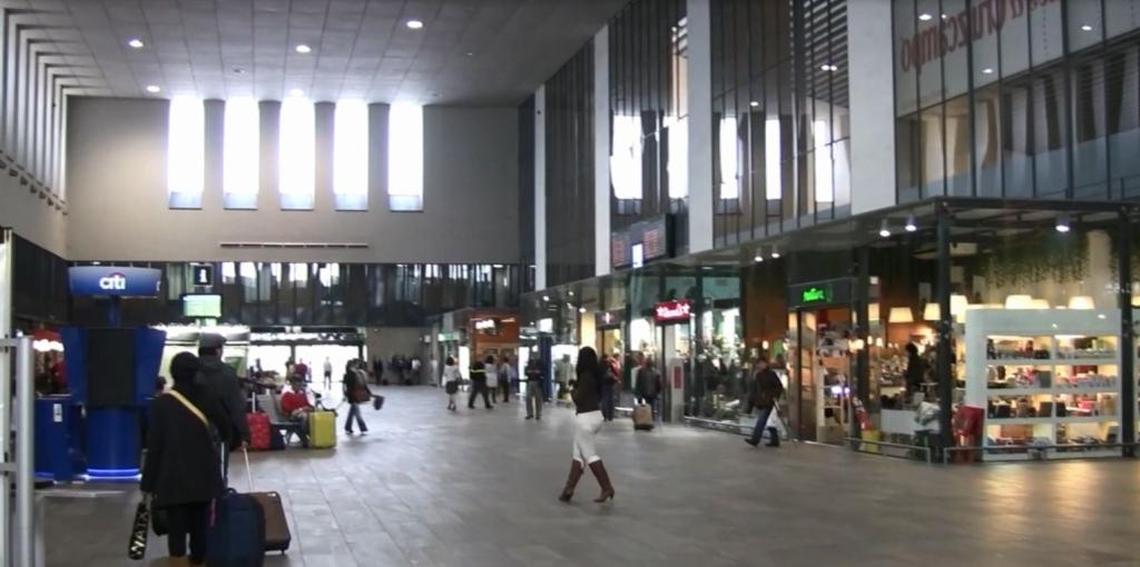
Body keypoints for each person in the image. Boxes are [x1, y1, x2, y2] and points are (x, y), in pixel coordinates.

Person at [141, 352, 224, 566]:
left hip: (172, 480)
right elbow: (225, 429)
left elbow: (154, 448)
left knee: (176, 535)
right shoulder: (208, 397)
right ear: (196, 373)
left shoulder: (161, 405)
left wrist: (148, 484)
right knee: (201, 533)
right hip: (204, 479)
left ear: (173, 373)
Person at [558, 347, 614, 504]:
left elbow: (578, 398)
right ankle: (568, 490)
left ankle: (606, 487)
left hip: (585, 419)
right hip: (595, 416)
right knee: (577, 455)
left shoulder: (585, 376)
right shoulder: (595, 376)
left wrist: (572, 389)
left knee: (589, 455)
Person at [196, 333, 249, 474]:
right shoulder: (227, 373)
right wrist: (244, 434)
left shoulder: (190, 371)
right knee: (218, 472)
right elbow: (235, 406)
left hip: (191, 430)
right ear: (218, 350)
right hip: (219, 431)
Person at [745, 357, 785, 448]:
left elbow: (779, 387)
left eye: (762, 363)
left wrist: (773, 396)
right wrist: (751, 404)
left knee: (762, 420)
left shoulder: (771, 374)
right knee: (769, 421)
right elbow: (754, 390)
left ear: (766, 364)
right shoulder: (758, 375)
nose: (760, 365)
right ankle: (774, 440)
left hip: (769, 401)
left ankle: (755, 439)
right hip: (762, 401)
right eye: (759, 364)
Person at [280, 377, 314, 447]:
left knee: (310, 416)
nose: (299, 387)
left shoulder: (302, 394)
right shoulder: (287, 395)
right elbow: (287, 408)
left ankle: (309, 434)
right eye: (297, 385)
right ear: (292, 385)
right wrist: (301, 409)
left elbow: (308, 405)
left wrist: (305, 409)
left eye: (300, 385)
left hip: (301, 414)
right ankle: (306, 433)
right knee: (304, 416)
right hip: (291, 415)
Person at [342, 361, 369, 435]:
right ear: (353, 365)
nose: (357, 366)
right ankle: (363, 428)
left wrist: (345, 394)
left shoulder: (349, 374)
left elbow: (345, 386)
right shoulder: (353, 374)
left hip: (353, 395)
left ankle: (348, 427)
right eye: (356, 364)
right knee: (357, 413)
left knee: (352, 412)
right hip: (354, 395)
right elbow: (350, 386)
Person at [599, 354, 616, 421]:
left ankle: (604, 416)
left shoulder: (600, 365)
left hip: (603, 384)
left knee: (604, 400)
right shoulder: (609, 365)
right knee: (610, 400)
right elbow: (615, 373)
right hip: (610, 384)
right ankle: (610, 416)